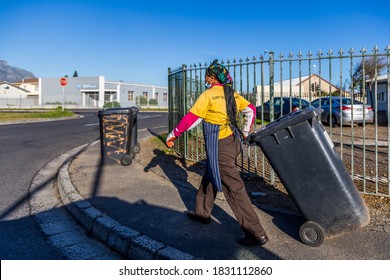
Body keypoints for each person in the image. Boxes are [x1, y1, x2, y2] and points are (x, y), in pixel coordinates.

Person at [165, 59, 269, 246]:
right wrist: (245, 130)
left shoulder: (209, 95)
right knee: (210, 175)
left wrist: (173, 135)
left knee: (233, 188)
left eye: (206, 75)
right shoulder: (232, 94)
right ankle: (202, 212)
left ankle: (256, 233)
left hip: (219, 146)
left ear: (212, 77)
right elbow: (251, 109)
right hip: (232, 141)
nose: (204, 77)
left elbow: (192, 118)